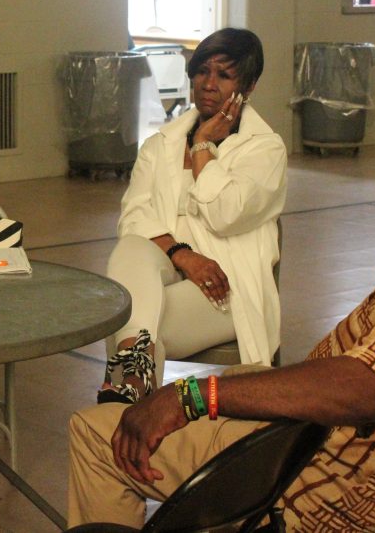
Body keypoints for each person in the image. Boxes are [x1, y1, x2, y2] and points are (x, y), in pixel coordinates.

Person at [69, 87, 375, 530]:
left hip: (323, 483)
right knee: (241, 379)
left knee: (98, 432)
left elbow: (363, 389)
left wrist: (192, 398)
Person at [99, 28, 286, 404]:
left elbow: (224, 214)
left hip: (226, 287)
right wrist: (184, 256)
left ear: (248, 88)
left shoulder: (265, 150)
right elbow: (133, 217)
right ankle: (146, 395)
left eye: (224, 75)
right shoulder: (160, 145)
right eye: (202, 71)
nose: (208, 84)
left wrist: (203, 147)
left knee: (129, 325)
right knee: (132, 248)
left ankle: (136, 391)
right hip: (168, 270)